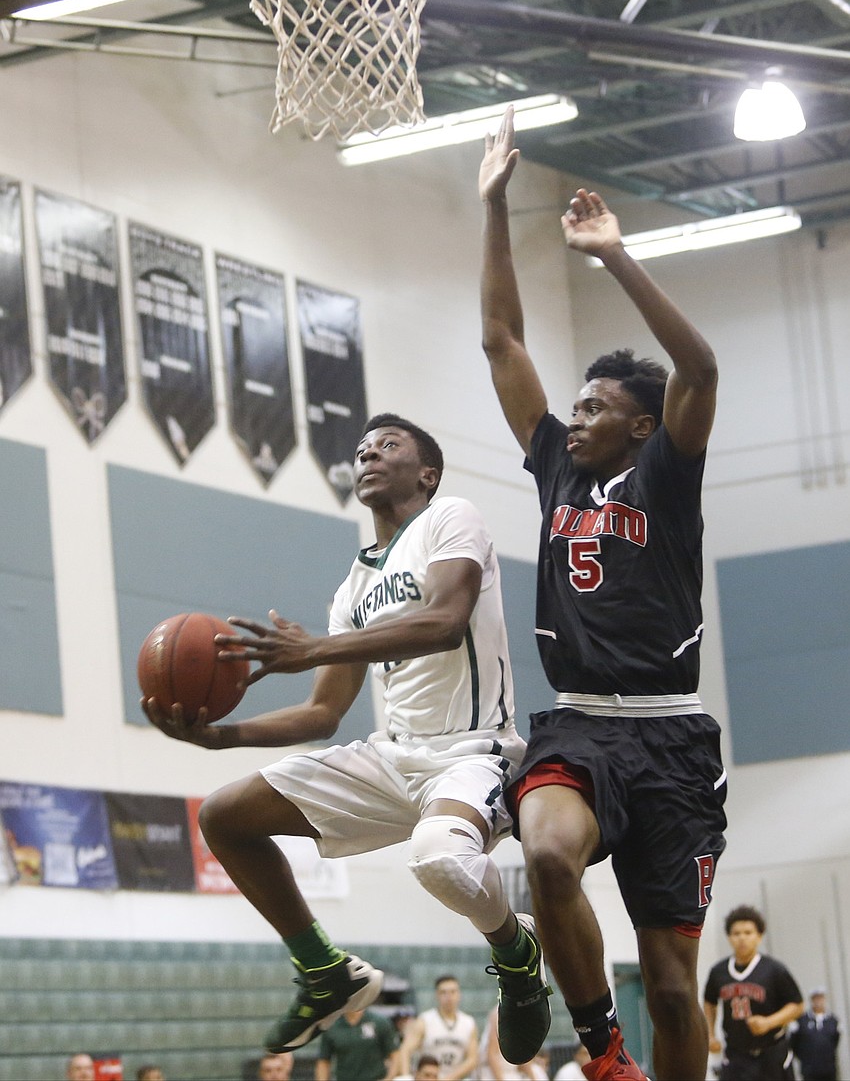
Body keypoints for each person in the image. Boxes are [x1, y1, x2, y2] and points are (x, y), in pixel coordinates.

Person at [144, 413, 550, 1067]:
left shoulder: (452, 519)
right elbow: (323, 712)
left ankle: (516, 951)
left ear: (427, 472)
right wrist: (219, 736)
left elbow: (446, 621)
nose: (368, 454)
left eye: (388, 445)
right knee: (224, 815)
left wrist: (318, 647)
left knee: (440, 858)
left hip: (473, 751)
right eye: (361, 449)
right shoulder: (355, 584)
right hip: (391, 754)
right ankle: (325, 969)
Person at [478, 105, 728, 1081]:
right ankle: (599, 1050)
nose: (572, 417)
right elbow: (501, 339)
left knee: (673, 989)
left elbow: (700, 368)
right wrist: (493, 208)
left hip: (669, 738)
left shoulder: (666, 474)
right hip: (578, 725)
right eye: (573, 404)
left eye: (593, 408)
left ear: (639, 426)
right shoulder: (555, 469)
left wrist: (615, 257)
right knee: (543, 857)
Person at [703, 904, 804, 1079]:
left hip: (772, 1053)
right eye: (736, 933)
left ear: (759, 936)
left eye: (748, 933)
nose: (742, 938)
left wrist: (769, 1022)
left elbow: (797, 1005)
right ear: (729, 937)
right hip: (736, 1054)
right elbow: (709, 1001)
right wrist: (710, 1034)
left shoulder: (774, 970)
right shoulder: (718, 971)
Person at [398, 975, 478, 1079]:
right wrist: (406, 1076)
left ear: (459, 994)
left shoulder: (469, 1023)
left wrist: (449, 1078)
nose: (449, 997)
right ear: (436, 995)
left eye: (453, 992)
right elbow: (405, 1050)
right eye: (443, 992)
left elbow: (472, 1059)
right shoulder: (425, 1020)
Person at [316, 1006, 398, 1081]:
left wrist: (389, 1078)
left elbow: (395, 1055)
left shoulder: (379, 1022)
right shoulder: (332, 1027)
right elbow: (323, 1061)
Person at [479, 1001, 546, 1080]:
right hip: (492, 1074)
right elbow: (491, 1055)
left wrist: (534, 1078)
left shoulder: (523, 1016)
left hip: (511, 1072)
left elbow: (523, 1056)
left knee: (538, 1073)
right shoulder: (499, 1013)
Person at [791, 988, 841, 1081]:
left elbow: (835, 1040)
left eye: (820, 998)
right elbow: (794, 1042)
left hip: (828, 1069)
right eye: (816, 998)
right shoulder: (801, 1021)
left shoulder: (833, 1020)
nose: (818, 1001)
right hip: (809, 1070)